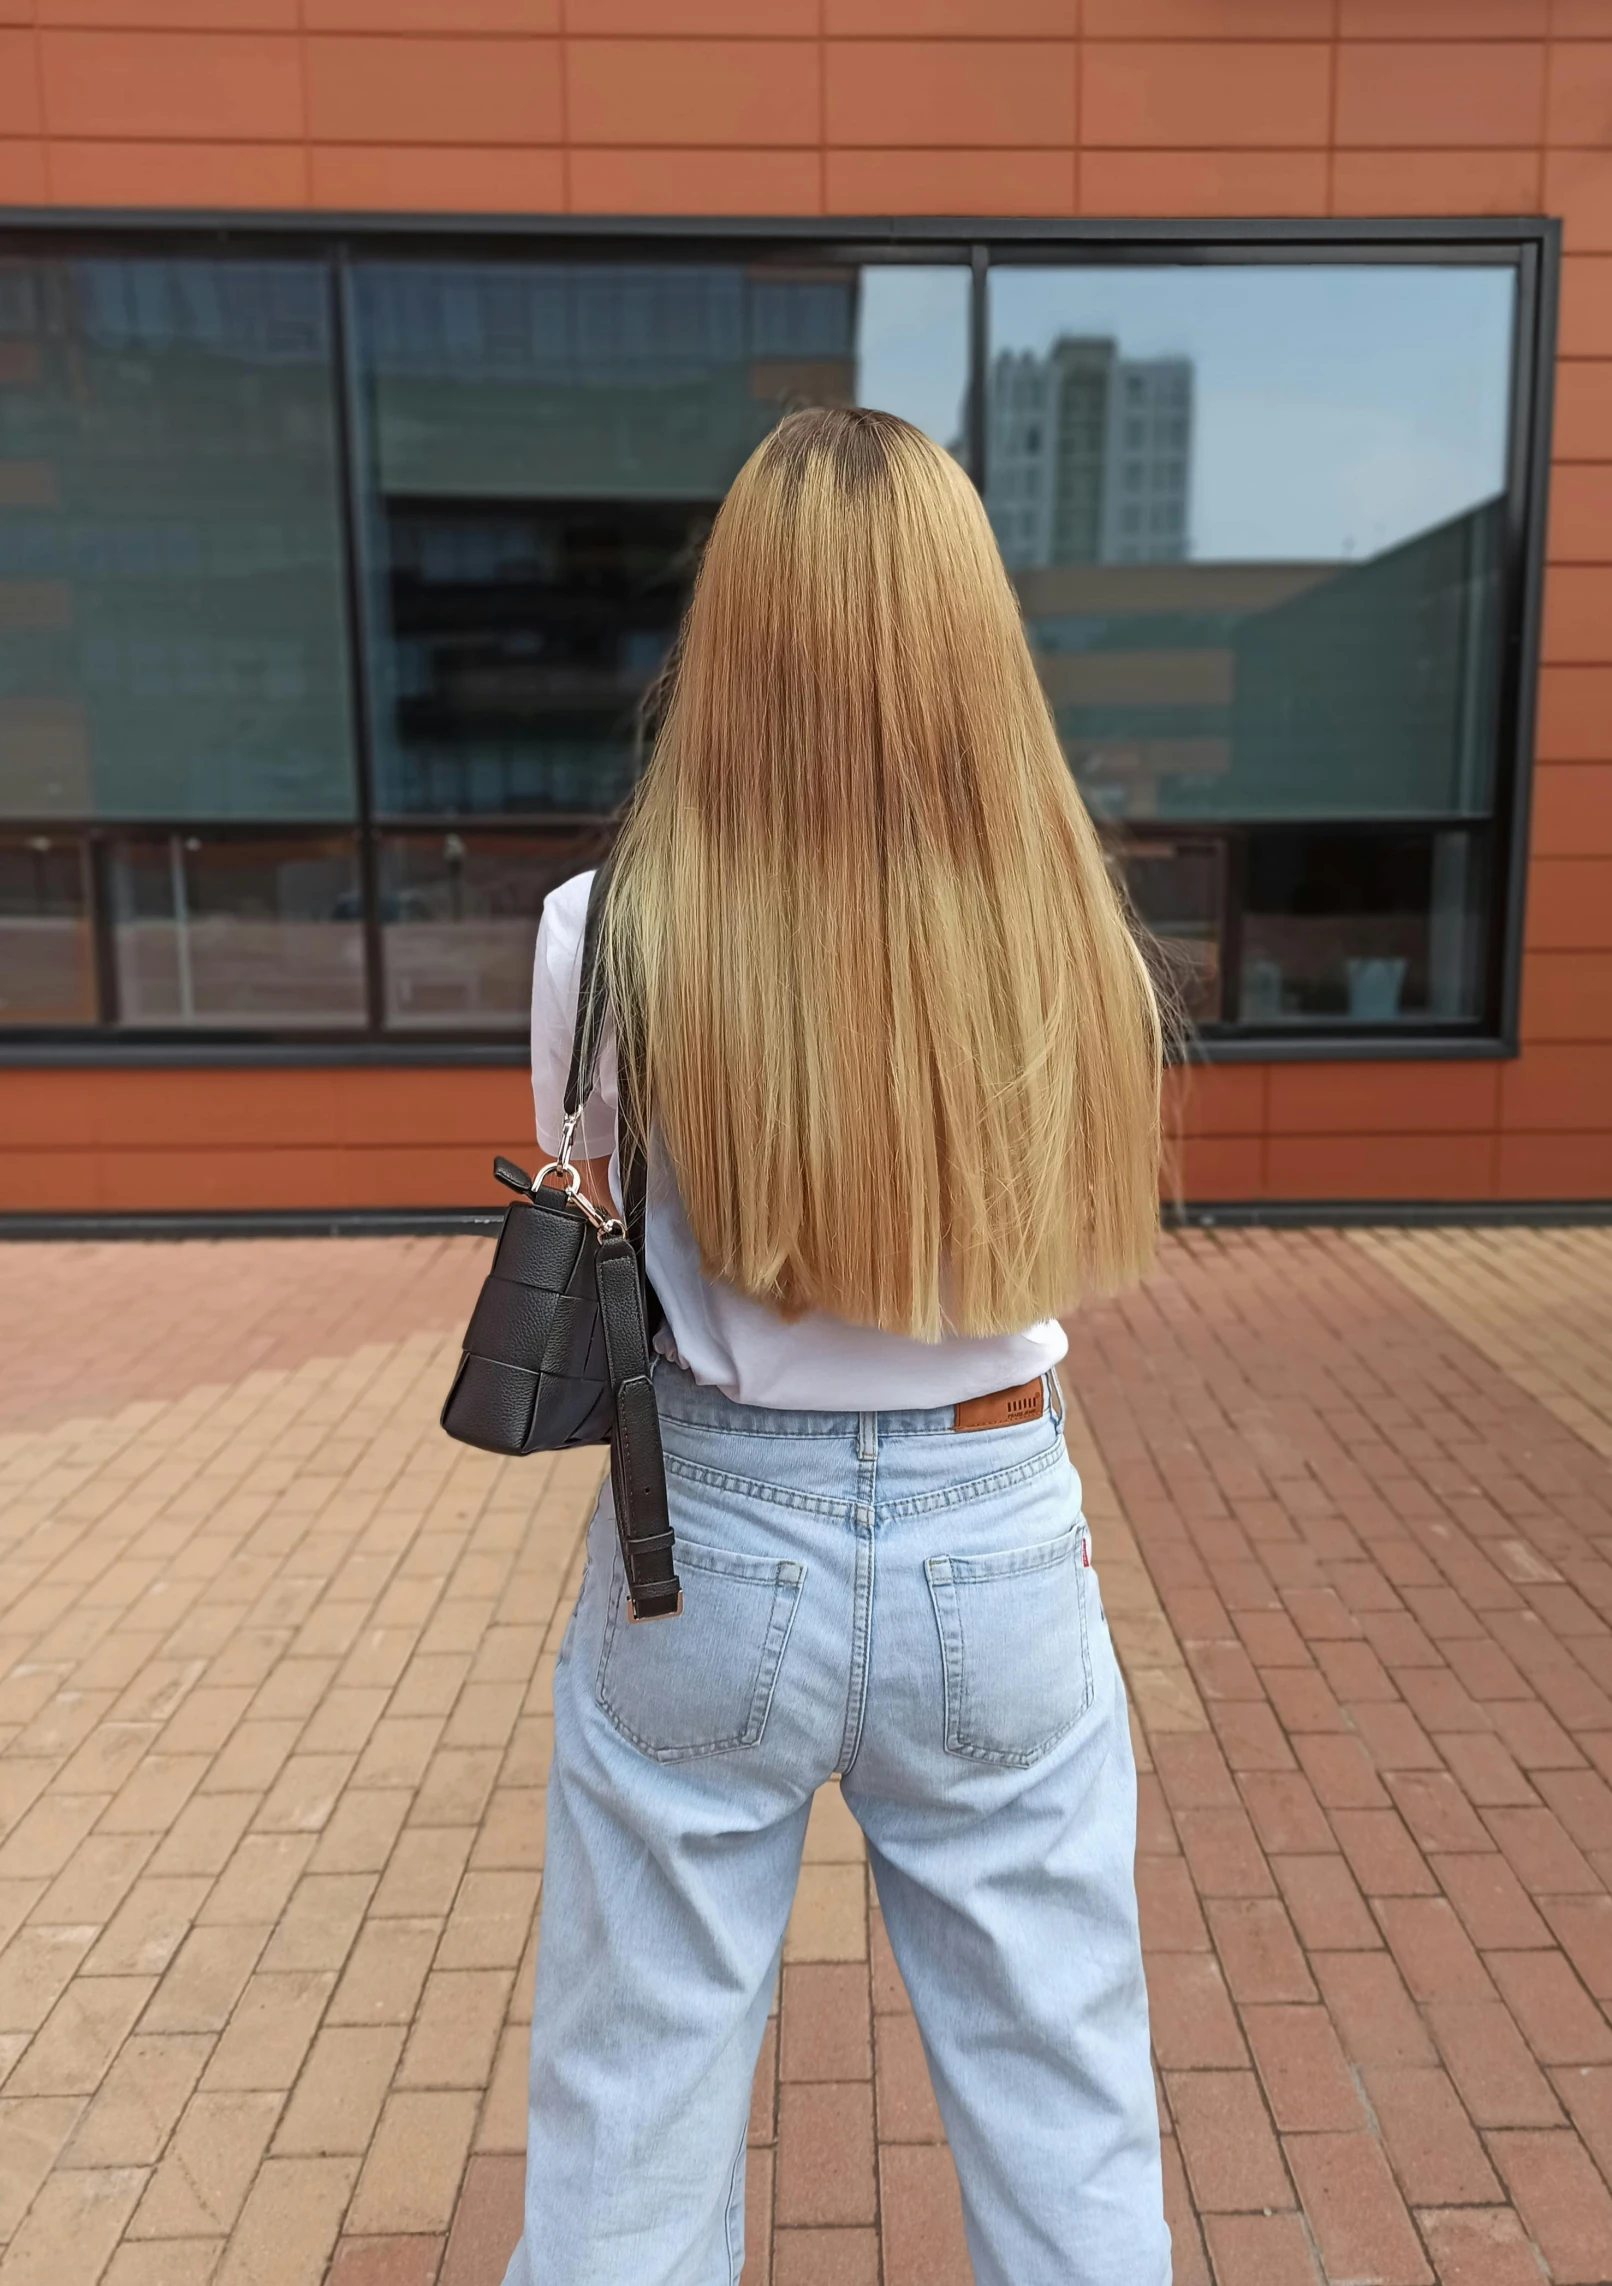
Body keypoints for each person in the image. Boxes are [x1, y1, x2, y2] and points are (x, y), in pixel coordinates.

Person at [500, 405, 1170, 2286]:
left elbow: (600, 1196)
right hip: (999, 1519)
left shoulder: (607, 927)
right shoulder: (1068, 927)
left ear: (735, 633)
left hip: (699, 1541)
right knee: (1070, 2115)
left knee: (630, 2109)